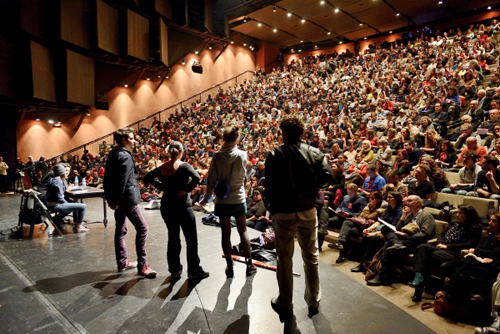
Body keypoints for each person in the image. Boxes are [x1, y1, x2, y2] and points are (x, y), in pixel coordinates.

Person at [265, 114, 333, 321]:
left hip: (284, 212)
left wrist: (272, 208)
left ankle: (285, 302)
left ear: (284, 132)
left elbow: (269, 185)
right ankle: (313, 300)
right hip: (307, 210)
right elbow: (328, 176)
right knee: (310, 257)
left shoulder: (275, 154)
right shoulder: (314, 152)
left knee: (284, 259)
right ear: (302, 133)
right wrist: (311, 191)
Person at [198, 123, 257, 278]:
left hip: (222, 200)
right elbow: (244, 177)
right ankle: (249, 265)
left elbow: (211, 180)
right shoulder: (242, 155)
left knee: (225, 233)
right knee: (243, 230)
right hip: (238, 198)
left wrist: (205, 199)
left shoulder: (217, 156)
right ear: (236, 138)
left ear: (223, 138)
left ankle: (229, 266)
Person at [144, 141, 208, 280]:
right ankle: (194, 270)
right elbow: (197, 177)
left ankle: (174, 269)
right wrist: (186, 189)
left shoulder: (162, 167)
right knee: (191, 239)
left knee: (173, 237)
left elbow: (147, 176)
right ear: (181, 152)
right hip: (182, 206)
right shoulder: (184, 166)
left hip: (167, 205)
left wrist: (160, 186)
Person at [104, 127, 157, 278]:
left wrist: (111, 199)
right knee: (142, 229)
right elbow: (123, 181)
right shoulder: (125, 156)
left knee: (120, 230)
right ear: (123, 140)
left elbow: (107, 178)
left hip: (118, 199)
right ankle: (143, 265)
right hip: (126, 199)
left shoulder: (113, 154)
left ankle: (122, 262)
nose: (134, 141)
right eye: (132, 138)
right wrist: (117, 201)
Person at [410, 205, 482, 302]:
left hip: (454, 253)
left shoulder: (475, 228)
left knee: (424, 258)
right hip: (441, 248)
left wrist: (448, 246)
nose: (457, 215)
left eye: (460, 213)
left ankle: (418, 288)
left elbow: (470, 243)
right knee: (421, 247)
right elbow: (441, 234)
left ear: (468, 215)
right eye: (457, 212)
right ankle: (418, 276)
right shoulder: (454, 223)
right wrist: (440, 243)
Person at [366, 195, 436, 286]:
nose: (406, 203)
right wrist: (403, 215)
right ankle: (396, 244)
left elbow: (424, 234)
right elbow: (398, 229)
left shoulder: (426, 216)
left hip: (417, 244)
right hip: (404, 241)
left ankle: (383, 276)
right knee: (384, 229)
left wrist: (405, 235)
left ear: (417, 203)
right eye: (406, 201)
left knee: (388, 243)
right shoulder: (409, 215)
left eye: (409, 201)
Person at [45, 164, 88, 232]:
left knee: (74, 204)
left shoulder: (52, 179)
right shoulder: (58, 181)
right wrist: (67, 204)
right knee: (83, 206)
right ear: (61, 172)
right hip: (56, 205)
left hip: (51, 203)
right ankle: (79, 226)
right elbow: (60, 197)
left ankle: (57, 219)